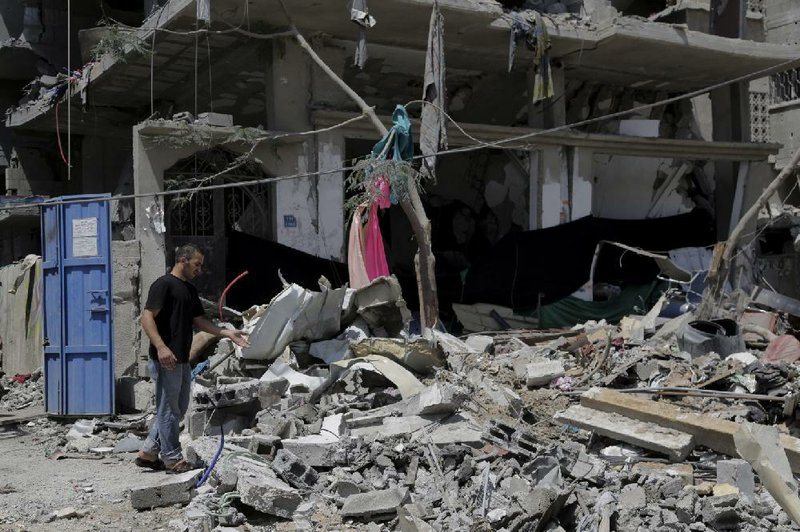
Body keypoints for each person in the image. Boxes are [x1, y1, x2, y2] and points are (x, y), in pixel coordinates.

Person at [135, 244, 250, 473]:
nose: (200, 269)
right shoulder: (163, 284)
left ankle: (149, 451)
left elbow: (199, 321)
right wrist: (161, 347)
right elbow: (146, 317)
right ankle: (172, 458)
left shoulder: (188, 290)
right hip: (166, 358)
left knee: (178, 407)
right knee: (169, 409)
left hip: (181, 359)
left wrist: (226, 332)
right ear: (183, 260)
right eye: (197, 264)